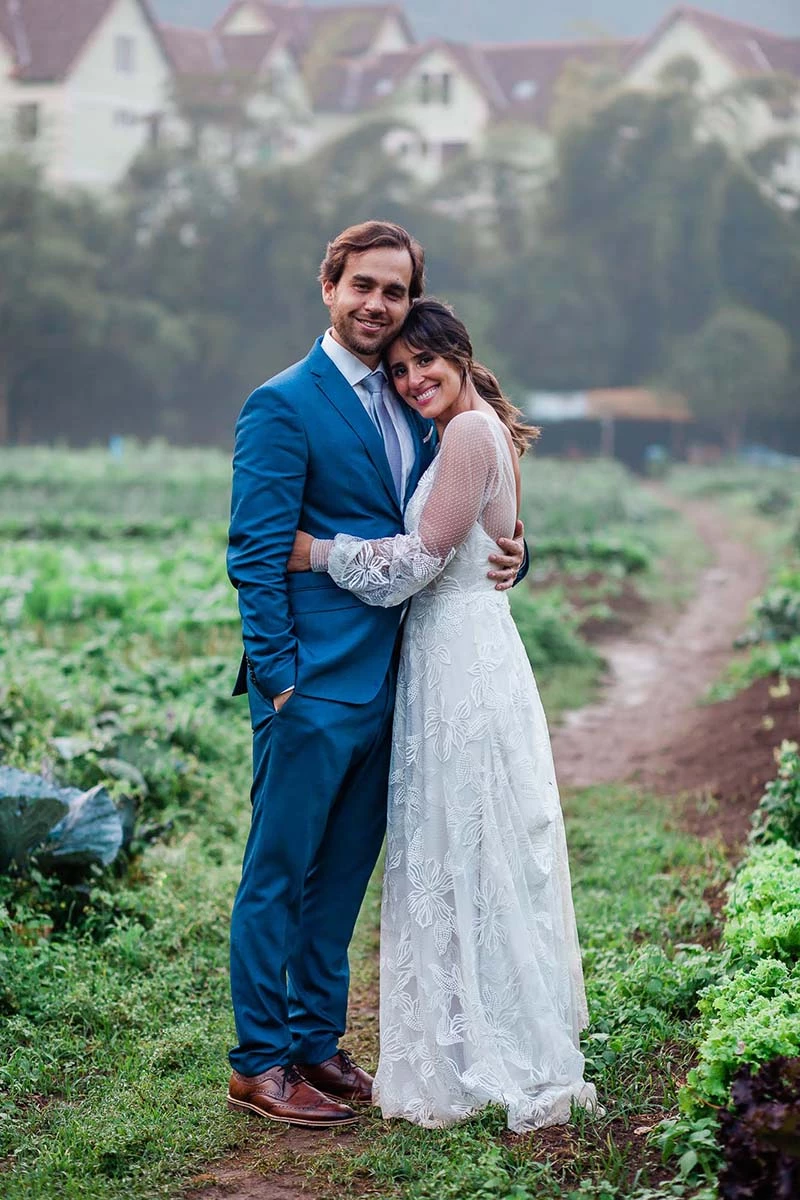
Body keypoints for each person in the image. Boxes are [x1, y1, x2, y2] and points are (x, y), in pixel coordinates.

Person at [225, 222, 527, 1128]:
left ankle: (317, 1043)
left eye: (394, 293)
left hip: (400, 685)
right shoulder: (281, 404)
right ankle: (258, 1061)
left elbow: (455, 513)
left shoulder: (413, 395)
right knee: (278, 874)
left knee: (342, 882)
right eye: (363, 286)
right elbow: (255, 549)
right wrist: (278, 679)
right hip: (311, 687)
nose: (377, 306)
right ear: (329, 285)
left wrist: (513, 551)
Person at [288, 299, 597, 1132]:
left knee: (465, 846)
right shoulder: (477, 427)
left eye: (427, 362)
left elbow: (421, 560)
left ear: (459, 355)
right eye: (399, 370)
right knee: (471, 847)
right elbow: (491, 538)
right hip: (462, 653)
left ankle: (477, 1050)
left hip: (459, 657)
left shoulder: (465, 435)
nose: (413, 378)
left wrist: (317, 552)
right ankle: (476, 1031)